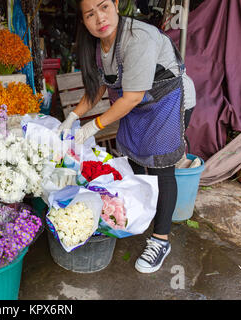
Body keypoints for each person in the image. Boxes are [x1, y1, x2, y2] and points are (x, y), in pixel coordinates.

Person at [57, 0, 196, 273]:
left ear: (116, 4)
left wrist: (91, 127)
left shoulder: (137, 38)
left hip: (168, 102)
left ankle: (160, 239)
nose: (100, 18)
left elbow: (131, 96)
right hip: (138, 107)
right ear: (83, 20)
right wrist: (73, 117)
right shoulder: (97, 45)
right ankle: (136, 216)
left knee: (160, 169)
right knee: (132, 162)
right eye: (90, 14)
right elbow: (97, 89)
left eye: (104, 6)